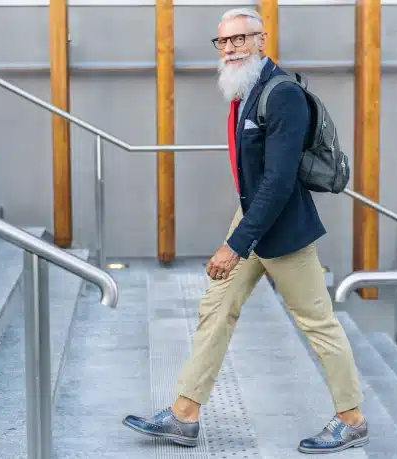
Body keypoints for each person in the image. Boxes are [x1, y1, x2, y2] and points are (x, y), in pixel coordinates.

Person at [122, 7, 368, 454]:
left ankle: (351, 419)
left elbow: (278, 182)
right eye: (224, 42)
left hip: (283, 228)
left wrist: (235, 245)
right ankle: (184, 414)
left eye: (241, 39)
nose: (232, 48)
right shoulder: (246, 90)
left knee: (317, 323)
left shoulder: (283, 95)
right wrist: (242, 234)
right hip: (253, 218)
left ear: (262, 39)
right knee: (215, 311)